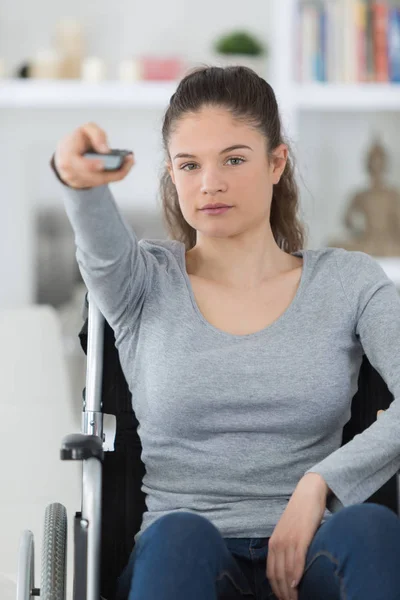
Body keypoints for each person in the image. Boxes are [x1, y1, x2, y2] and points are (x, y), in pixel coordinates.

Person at [51, 66, 400, 600]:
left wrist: (319, 485)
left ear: (276, 162)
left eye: (234, 159)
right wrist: (76, 177)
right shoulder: (142, 281)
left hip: (317, 553)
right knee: (179, 537)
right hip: (183, 559)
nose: (210, 183)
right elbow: (96, 242)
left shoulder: (348, 282)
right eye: (189, 165)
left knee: (373, 528)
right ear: (171, 173)